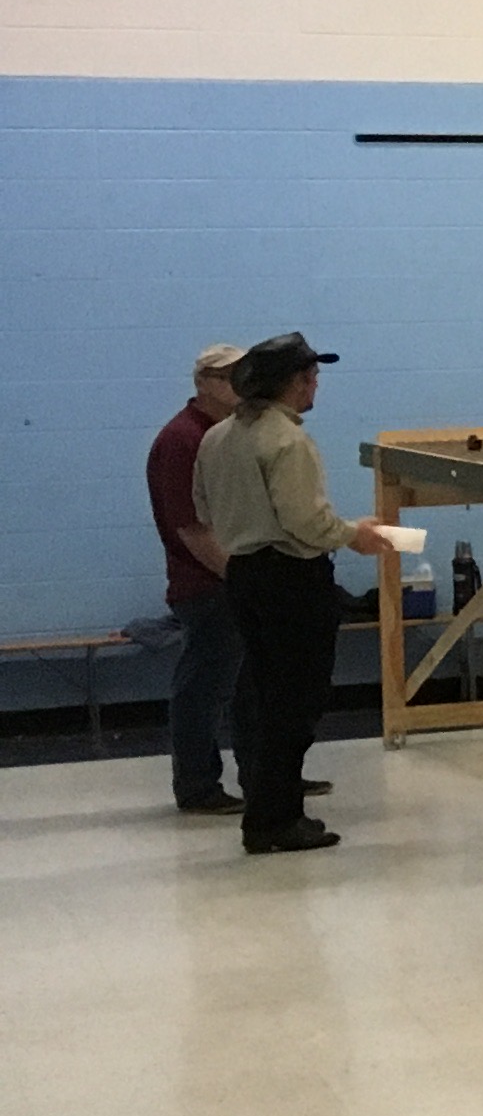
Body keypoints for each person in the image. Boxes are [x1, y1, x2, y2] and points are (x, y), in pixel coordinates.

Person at [195, 332, 393, 856]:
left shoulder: (216, 438)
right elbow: (304, 520)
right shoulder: (286, 441)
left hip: (244, 574)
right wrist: (354, 534)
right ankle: (275, 820)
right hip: (291, 579)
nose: (316, 385)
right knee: (296, 703)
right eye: (312, 376)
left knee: (265, 697)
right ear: (296, 382)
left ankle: (268, 813)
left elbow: (203, 506)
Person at [147, 343, 249, 815]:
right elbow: (190, 526)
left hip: (229, 577)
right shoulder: (184, 439)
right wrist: (236, 576)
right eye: (227, 377)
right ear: (203, 383)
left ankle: (263, 773)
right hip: (207, 584)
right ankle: (196, 785)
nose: (238, 385)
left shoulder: (226, 432)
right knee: (203, 688)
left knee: (244, 687)